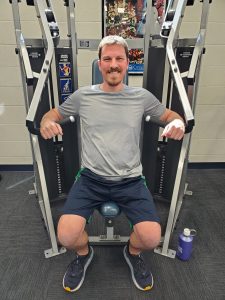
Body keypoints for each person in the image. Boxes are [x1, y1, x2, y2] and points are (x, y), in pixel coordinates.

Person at [40, 35, 185, 292]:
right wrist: (46, 122)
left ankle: (132, 253)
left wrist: (177, 123)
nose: (113, 64)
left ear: (128, 63)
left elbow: (169, 115)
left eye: (119, 59)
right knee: (66, 236)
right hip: (91, 179)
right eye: (107, 59)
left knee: (151, 238)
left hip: (130, 180)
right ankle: (84, 255)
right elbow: (55, 113)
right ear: (99, 64)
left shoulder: (141, 96)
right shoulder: (83, 96)